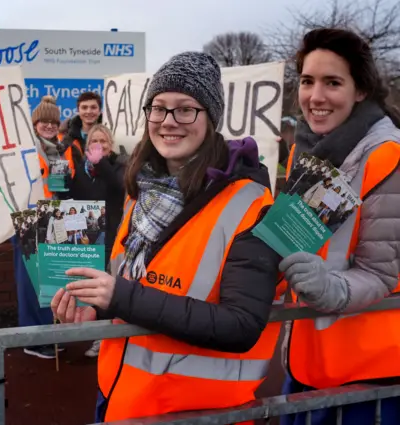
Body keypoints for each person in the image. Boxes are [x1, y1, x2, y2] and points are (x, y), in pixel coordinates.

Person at [50, 51, 284, 423]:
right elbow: (126, 284)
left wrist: (119, 297)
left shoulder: (251, 205)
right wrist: (93, 309)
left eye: (185, 109)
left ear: (211, 118)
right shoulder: (139, 190)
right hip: (119, 396)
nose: (168, 121)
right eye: (158, 108)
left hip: (195, 412)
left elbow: (241, 325)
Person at [278, 28, 400, 425]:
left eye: (332, 82)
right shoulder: (305, 148)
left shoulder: (387, 156)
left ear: (360, 90)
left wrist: (331, 288)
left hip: (368, 376)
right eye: (308, 81)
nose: (315, 96)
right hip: (308, 360)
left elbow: (383, 271)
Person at [12, 95, 68, 359]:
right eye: (44, 121)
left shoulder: (57, 149)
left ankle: (49, 333)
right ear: (34, 124)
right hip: (29, 217)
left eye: (54, 121)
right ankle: (33, 338)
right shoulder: (26, 149)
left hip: (52, 218)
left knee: (48, 279)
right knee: (30, 282)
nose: (49, 125)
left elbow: (58, 188)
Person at [65, 123, 127, 358]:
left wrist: (102, 164)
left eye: (103, 142)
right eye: (94, 142)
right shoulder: (81, 169)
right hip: (87, 238)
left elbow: (119, 187)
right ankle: (95, 334)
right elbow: (75, 196)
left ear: (109, 147)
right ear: (87, 145)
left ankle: (104, 338)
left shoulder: (118, 165)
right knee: (89, 287)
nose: (98, 146)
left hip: (111, 237)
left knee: (106, 288)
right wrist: (61, 182)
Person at [60, 91, 102, 155]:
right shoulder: (66, 139)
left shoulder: (110, 135)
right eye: (84, 108)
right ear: (78, 111)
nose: (89, 111)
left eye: (93, 107)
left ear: (100, 111)